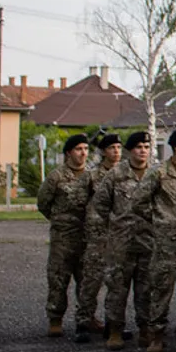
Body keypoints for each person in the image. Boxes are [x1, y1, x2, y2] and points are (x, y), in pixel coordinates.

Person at [139, 127, 176, 352]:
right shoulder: (159, 172)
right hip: (166, 241)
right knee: (161, 288)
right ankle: (156, 335)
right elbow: (138, 202)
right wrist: (157, 221)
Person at [97, 132, 155, 350]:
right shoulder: (116, 175)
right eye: (138, 146)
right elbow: (100, 205)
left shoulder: (155, 174)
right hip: (121, 243)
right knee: (117, 288)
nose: (143, 150)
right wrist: (112, 228)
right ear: (130, 150)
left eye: (146, 146)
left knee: (147, 288)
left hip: (148, 241)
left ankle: (146, 329)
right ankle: (114, 330)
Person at [37, 133, 93, 340]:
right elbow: (43, 203)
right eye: (79, 149)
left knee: (87, 280)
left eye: (86, 149)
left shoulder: (91, 175)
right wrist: (59, 220)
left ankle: (86, 318)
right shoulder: (56, 177)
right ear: (69, 152)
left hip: (86, 236)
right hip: (63, 238)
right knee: (59, 278)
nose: (83, 153)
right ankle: (55, 319)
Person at [78, 132, 123, 339]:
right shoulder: (91, 175)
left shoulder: (125, 174)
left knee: (116, 282)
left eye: (119, 148)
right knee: (92, 280)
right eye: (112, 148)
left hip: (119, 236)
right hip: (97, 236)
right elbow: (78, 203)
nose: (116, 152)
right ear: (104, 151)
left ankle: (112, 324)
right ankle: (84, 321)